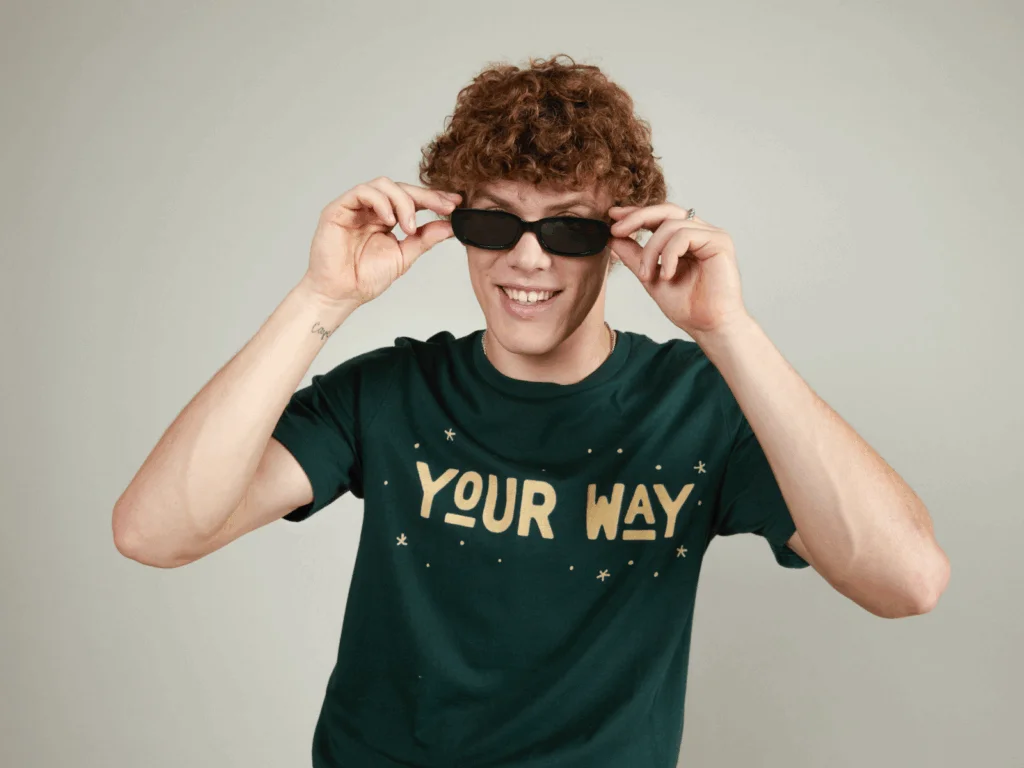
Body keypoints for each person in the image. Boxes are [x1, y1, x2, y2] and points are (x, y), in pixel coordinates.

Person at [112, 54, 950, 767]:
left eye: (569, 231)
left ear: (624, 240)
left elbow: (906, 582)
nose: (526, 258)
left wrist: (728, 332)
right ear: (456, 224)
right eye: (494, 221)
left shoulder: (699, 408)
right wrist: (320, 297)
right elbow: (155, 532)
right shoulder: (391, 392)